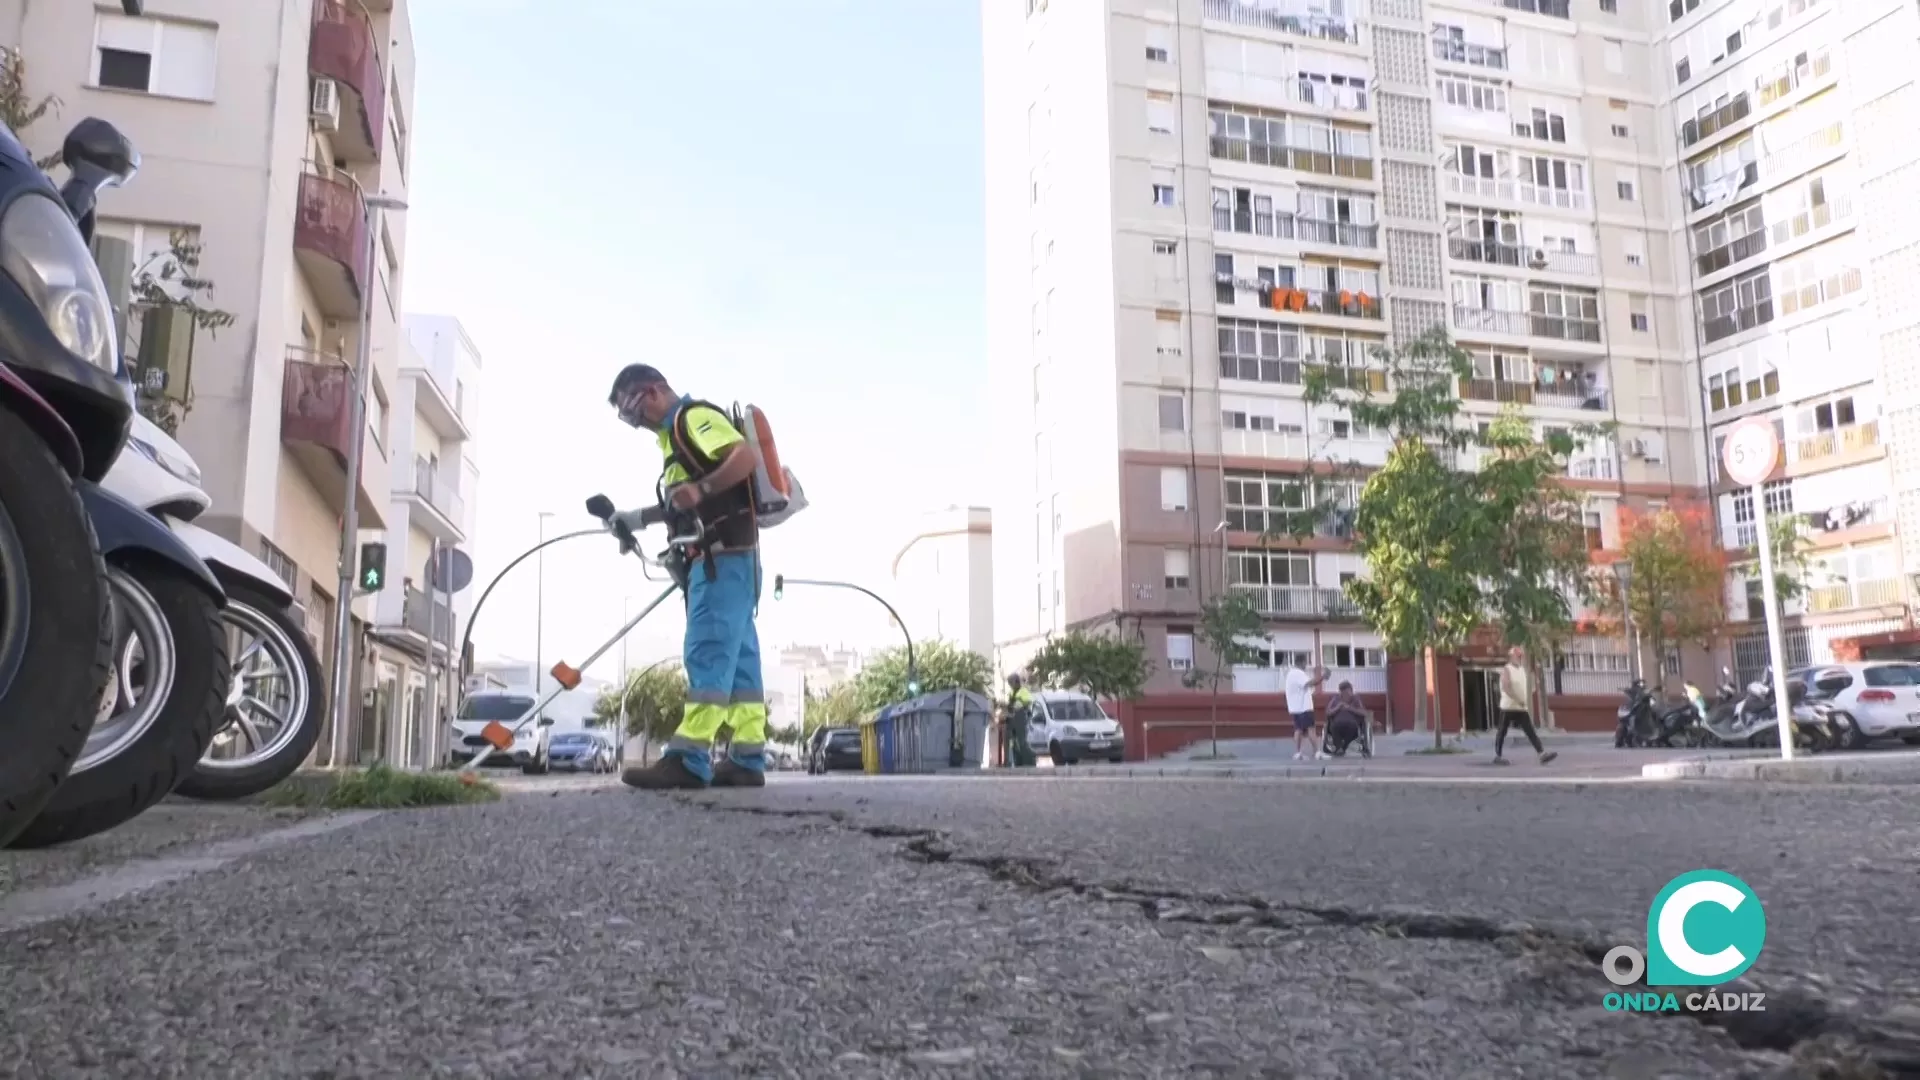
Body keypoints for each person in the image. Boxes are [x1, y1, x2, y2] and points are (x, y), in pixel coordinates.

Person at [606, 364, 769, 790]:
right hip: (733, 559)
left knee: (708, 652)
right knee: (740, 664)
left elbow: (743, 458)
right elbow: (683, 502)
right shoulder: (673, 438)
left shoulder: (689, 420)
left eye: (634, 409)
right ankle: (748, 759)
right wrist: (636, 519)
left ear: (654, 390)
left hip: (719, 558)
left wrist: (703, 490)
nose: (635, 421)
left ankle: (689, 758)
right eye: (628, 417)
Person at [1494, 645, 1558, 766]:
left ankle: (1542, 754)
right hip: (1508, 706)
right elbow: (1506, 688)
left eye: (1521, 656)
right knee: (1502, 731)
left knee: (1530, 731)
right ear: (1511, 657)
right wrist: (1518, 699)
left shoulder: (1522, 669)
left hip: (1520, 707)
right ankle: (1498, 756)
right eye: (1517, 656)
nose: (1520, 658)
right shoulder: (1507, 669)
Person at [1286, 659, 1330, 761]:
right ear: (1301, 663)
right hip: (1304, 707)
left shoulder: (1290, 674)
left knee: (1298, 730)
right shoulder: (1299, 673)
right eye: (1305, 664)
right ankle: (1317, 752)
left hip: (1295, 707)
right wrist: (1323, 677)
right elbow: (1309, 683)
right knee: (1311, 729)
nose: (1306, 666)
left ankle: (1298, 753)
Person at [1003, 673, 1037, 768]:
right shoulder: (1011, 692)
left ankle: (1029, 761)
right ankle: (1017, 761)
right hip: (1012, 717)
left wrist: (1019, 705)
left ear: (1016, 681)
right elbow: (1011, 704)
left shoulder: (1023, 691)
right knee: (1013, 742)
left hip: (1020, 717)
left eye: (1011, 682)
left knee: (1022, 741)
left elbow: (1028, 701)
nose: (1010, 684)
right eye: (1009, 683)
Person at [1324, 680, 1367, 755]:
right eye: (1343, 692)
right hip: (1337, 724)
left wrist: (1350, 708)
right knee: (1334, 727)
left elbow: (1364, 713)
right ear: (1341, 692)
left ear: (1351, 691)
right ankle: (1338, 748)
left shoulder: (1356, 699)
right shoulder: (1335, 699)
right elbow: (1327, 712)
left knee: (1352, 729)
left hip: (1352, 724)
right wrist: (1338, 707)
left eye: (1348, 692)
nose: (1346, 694)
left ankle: (1342, 747)